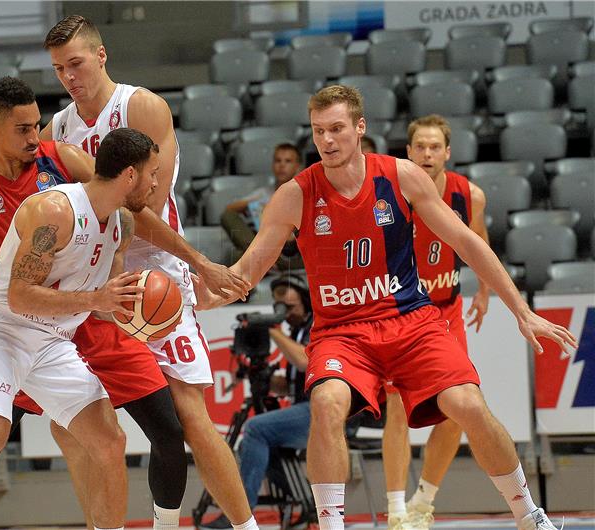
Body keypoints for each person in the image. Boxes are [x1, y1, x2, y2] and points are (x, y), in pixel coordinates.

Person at [0, 51, 248, 530]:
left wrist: (199, 262)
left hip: (69, 322)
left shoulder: (61, 159)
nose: (35, 138)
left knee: (122, 437)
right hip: (11, 316)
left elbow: (133, 212)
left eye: (37, 125)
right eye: (22, 130)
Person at [196, 85, 577, 530]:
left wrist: (520, 309)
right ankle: (333, 525)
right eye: (319, 131)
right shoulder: (295, 195)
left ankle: (527, 514)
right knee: (327, 403)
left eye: (337, 129)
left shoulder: (400, 176)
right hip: (342, 332)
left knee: (469, 405)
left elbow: (466, 242)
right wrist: (194, 300)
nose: (328, 141)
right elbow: (247, 270)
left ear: (360, 127)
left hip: (410, 321)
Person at [39, 15, 258, 530]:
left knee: (190, 415)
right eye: (58, 69)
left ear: (101, 55)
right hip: (91, 285)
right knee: (69, 428)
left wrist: (197, 263)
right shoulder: (58, 129)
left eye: (76, 63)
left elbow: (143, 208)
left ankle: (247, 528)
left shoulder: (140, 107)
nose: (69, 76)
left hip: (152, 275)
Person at [0, 127, 158, 529]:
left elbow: (106, 304)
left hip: (51, 339)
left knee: (110, 441)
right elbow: (20, 296)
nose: (156, 183)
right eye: (152, 173)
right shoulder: (54, 210)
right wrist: (95, 301)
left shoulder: (122, 224)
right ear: (129, 176)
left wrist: (137, 312)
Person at [382, 114, 491, 530]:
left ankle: (423, 502)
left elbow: (478, 242)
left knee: (458, 409)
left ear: (447, 153)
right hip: (402, 310)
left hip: (446, 310)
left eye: (434, 147)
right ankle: (394, 511)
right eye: (419, 147)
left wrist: (483, 289)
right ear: (408, 152)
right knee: (396, 408)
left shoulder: (469, 196)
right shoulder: (390, 193)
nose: (427, 154)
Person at [204, 274, 314, 529]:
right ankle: (304, 502)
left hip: (317, 411)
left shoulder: (314, 327)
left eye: (289, 307)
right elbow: (292, 384)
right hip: (303, 406)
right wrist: (262, 376)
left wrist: (273, 330)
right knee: (249, 446)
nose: (283, 313)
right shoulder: (296, 332)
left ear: (306, 302)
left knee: (255, 428)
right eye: (278, 307)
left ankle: (242, 513)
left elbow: (305, 362)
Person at [221, 143, 304, 272]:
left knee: (241, 258)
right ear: (272, 165)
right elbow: (229, 210)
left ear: (297, 166)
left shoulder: (304, 193)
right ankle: (259, 257)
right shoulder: (264, 193)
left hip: (293, 250)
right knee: (228, 218)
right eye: (278, 161)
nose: (282, 165)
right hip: (265, 245)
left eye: (288, 161)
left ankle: (259, 259)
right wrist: (256, 203)